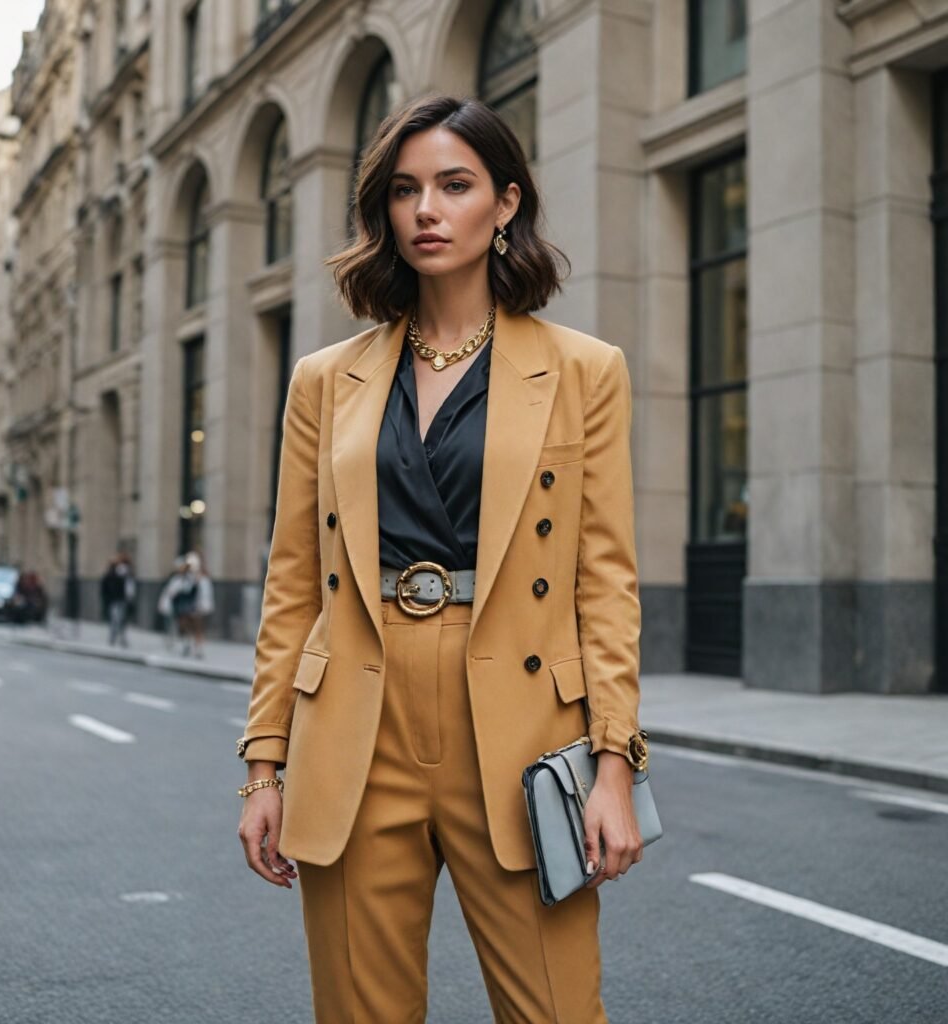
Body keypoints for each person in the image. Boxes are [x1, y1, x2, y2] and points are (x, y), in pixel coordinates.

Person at [236, 95, 645, 1024]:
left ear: (505, 205)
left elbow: (606, 582)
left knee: (556, 1011)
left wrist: (614, 766)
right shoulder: (325, 381)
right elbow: (293, 583)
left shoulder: (585, 370)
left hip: (523, 726)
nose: (426, 209)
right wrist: (264, 768)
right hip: (354, 724)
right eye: (405, 189)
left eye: (454, 186)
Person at [100, 553, 134, 647]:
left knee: (119, 619)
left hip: (120, 599)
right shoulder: (112, 574)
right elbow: (106, 588)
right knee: (116, 619)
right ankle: (115, 638)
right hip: (115, 600)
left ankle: (118, 638)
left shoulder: (124, 573)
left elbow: (128, 587)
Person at [157, 556, 188, 651]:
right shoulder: (174, 578)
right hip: (172, 605)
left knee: (180, 625)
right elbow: (168, 592)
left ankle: (181, 643)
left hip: (182, 605)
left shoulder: (186, 578)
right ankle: (170, 641)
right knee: (170, 624)